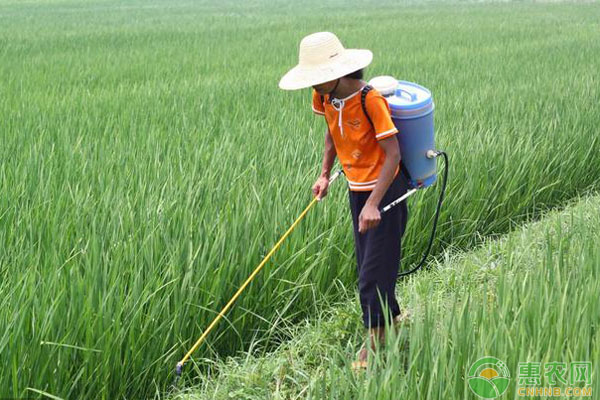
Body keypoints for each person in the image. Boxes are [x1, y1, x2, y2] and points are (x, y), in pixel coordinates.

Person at [279, 31, 409, 369]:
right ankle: (392, 326)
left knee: (370, 276)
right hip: (356, 189)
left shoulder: (370, 100)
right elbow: (332, 134)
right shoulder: (324, 96)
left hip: (385, 190)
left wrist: (373, 203)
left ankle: (372, 347)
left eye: (321, 78)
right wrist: (324, 174)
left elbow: (393, 154)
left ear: (338, 72)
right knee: (371, 265)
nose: (316, 85)